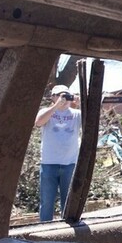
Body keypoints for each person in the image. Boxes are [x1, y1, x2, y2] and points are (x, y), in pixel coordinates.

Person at [35, 85, 81, 221]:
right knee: (47, 201)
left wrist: (81, 104)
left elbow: (91, 123)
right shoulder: (46, 111)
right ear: (53, 97)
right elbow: (38, 122)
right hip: (49, 163)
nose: (65, 99)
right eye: (61, 95)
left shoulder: (77, 114)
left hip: (70, 163)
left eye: (67, 95)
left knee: (68, 201)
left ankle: (67, 226)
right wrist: (56, 106)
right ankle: (45, 226)